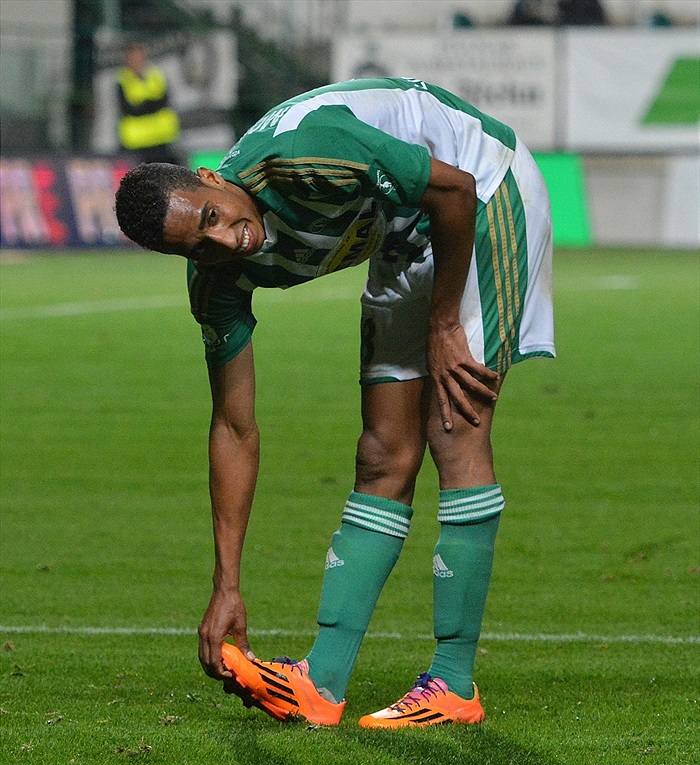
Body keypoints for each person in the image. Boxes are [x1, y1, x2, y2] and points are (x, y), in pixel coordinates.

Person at [115, 77, 555, 728]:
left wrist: (442, 325)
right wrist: (227, 584)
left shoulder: (308, 154)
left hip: (482, 186)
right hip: (409, 231)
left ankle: (454, 684)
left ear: (211, 177)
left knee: (453, 427)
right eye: (198, 247)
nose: (226, 243)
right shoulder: (217, 282)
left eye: (213, 218)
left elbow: (453, 188)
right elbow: (235, 428)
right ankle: (321, 683)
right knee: (382, 452)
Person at [117, 42, 181, 165]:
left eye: (140, 57)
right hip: (136, 142)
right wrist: (151, 104)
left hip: (161, 139)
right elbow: (129, 109)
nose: (138, 61)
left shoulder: (155, 76)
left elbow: (164, 100)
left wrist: (142, 105)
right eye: (134, 57)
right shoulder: (123, 80)